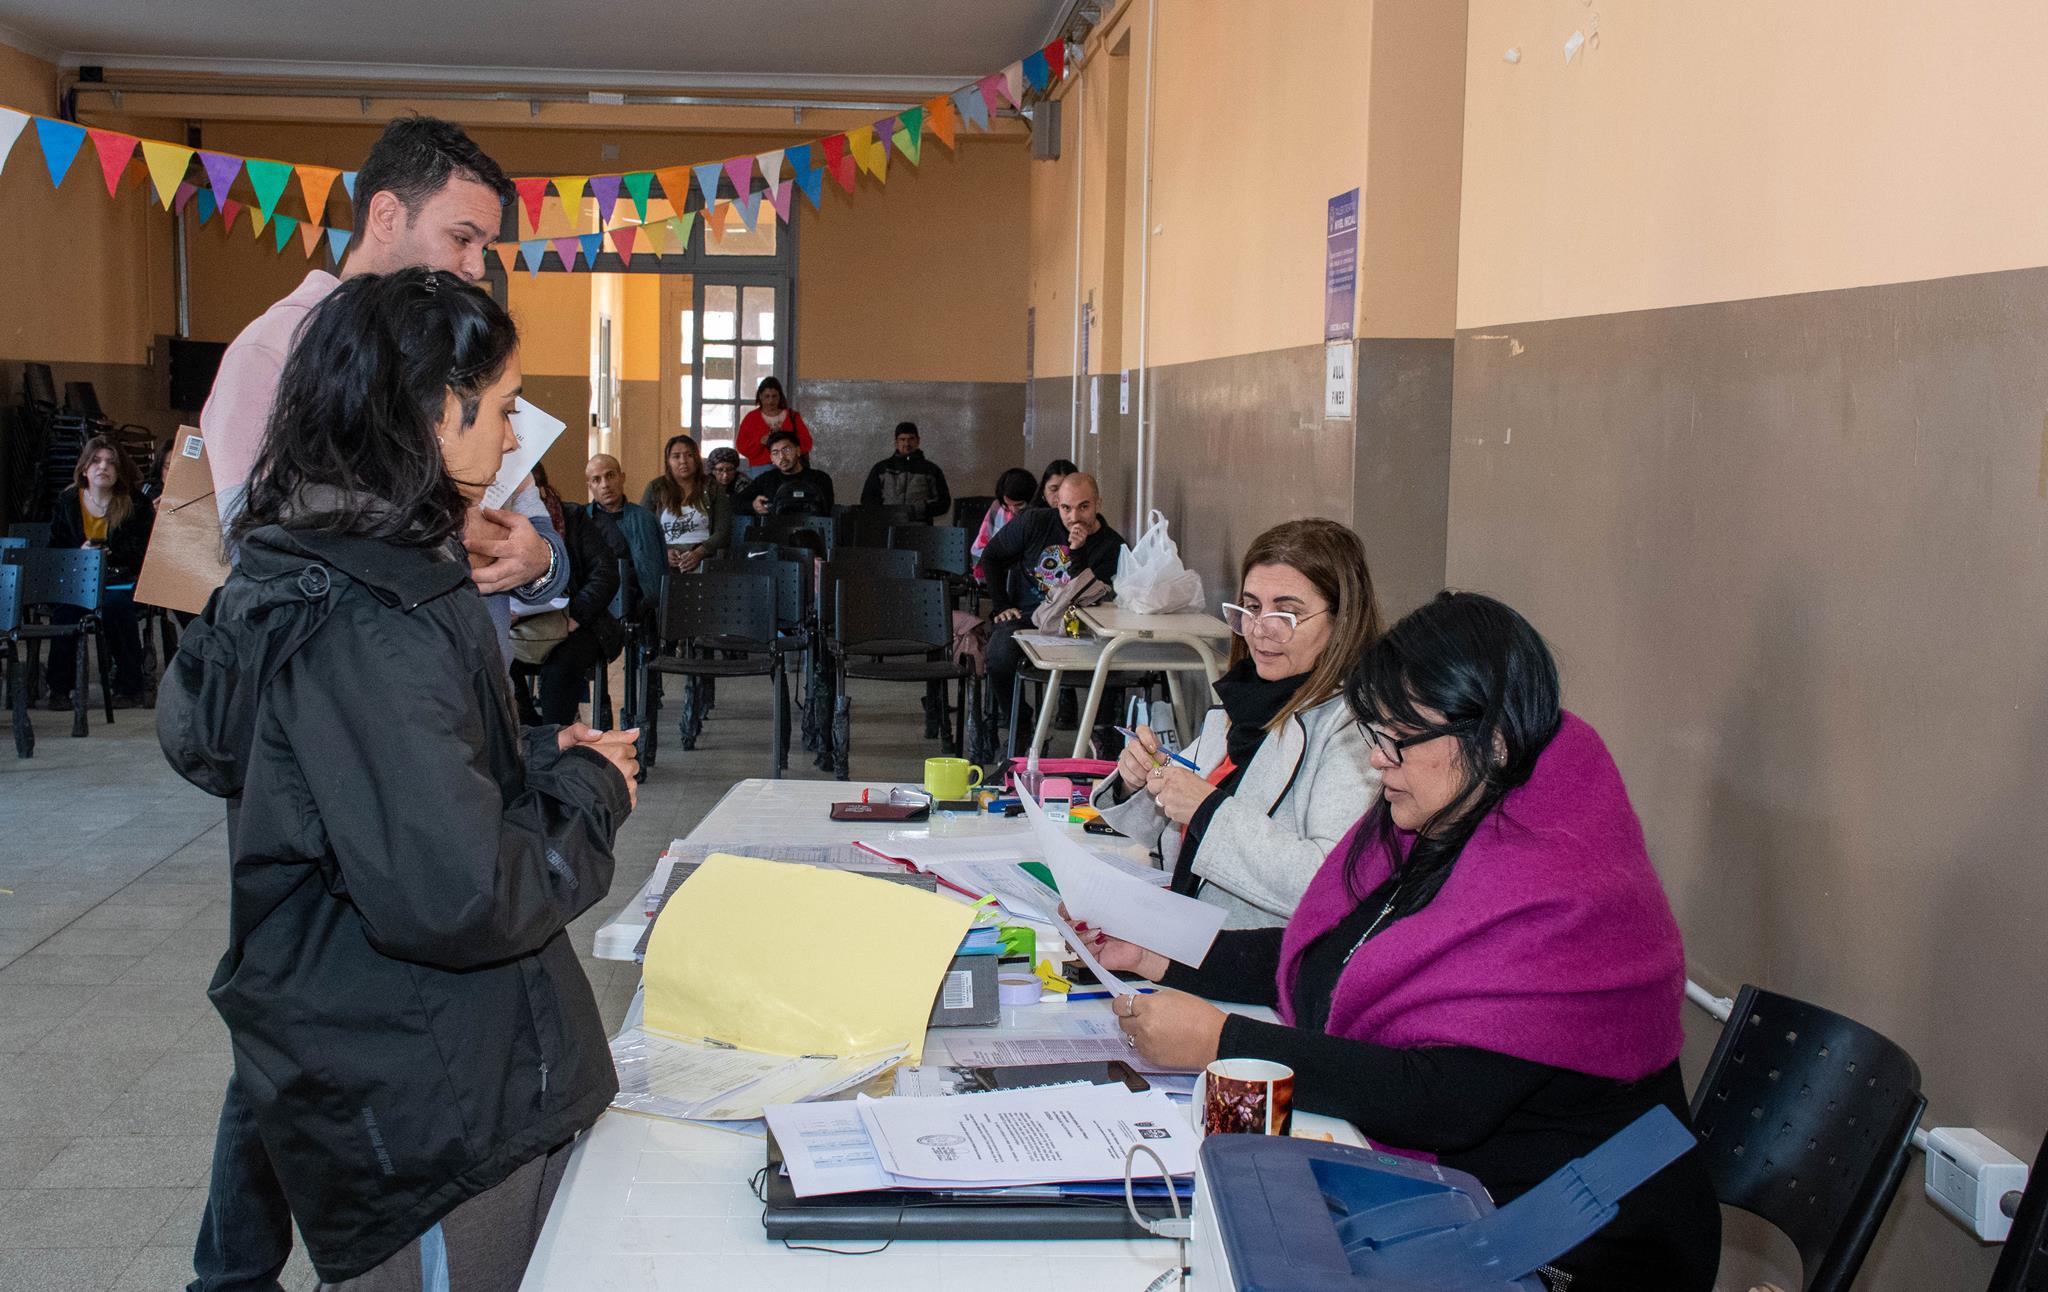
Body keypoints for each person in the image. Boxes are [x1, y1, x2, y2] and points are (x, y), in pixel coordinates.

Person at [158, 269, 640, 1291]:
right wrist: (592, 797)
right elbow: (460, 890)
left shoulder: (314, 566)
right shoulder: (376, 615)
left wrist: (538, 753)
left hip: (406, 1063)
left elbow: (378, 790)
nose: (512, 440)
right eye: (502, 410)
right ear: (431, 408)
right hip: (433, 1103)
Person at [1085, 592, 1721, 1291]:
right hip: (1460, 1207)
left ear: (1493, 741)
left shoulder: (1573, 891)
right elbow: (1332, 956)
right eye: (1375, 735)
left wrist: (1225, 1042)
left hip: (1577, 1244)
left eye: (1398, 741)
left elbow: (1440, 1096)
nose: (1379, 762)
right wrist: (1161, 957)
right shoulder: (1445, 813)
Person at [198, 114, 564, 672]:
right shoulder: (273, 350)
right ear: (388, 215)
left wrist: (537, 563)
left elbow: (533, 529)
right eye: (461, 238)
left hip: (465, 687)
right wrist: (436, 529)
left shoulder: (460, 346)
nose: (475, 266)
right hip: (347, 692)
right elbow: (251, 553)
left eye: (485, 246)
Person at [1091, 520, 1382, 927]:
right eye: (1252, 607)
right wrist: (1137, 779)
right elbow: (1164, 831)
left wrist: (1207, 809)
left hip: (1262, 964)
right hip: (1195, 931)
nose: (1260, 629)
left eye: (1287, 613)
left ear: (1342, 619)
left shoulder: (1356, 729)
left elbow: (1327, 884)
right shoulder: (1245, 701)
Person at [980, 471, 1124, 727]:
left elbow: (1088, 596)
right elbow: (991, 556)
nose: (1074, 517)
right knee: (998, 655)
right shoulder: (1034, 522)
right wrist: (1001, 606)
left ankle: (1103, 735)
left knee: (1114, 662)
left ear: (1098, 504)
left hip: (1082, 627)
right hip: (1027, 619)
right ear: (1057, 503)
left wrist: (1078, 553)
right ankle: (1018, 722)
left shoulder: (1112, 546)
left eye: (1084, 507)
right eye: (1066, 508)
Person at [45, 435, 155, 709]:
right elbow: (54, 548)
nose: (102, 467)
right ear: (84, 468)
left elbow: (144, 550)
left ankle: (130, 687)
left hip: (119, 578)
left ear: (119, 471)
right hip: (77, 578)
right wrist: (79, 553)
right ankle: (59, 689)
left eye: (110, 463)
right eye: (96, 461)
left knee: (116, 606)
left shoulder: (135, 503)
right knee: (65, 612)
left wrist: (111, 553)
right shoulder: (68, 501)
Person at [530, 502, 624, 726]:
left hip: (579, 622)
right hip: (523, 625)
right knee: (495, 661)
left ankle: (556, 736)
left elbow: (605, 574)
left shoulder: (572, 517)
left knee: (560, 663)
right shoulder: (495, 522)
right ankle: (526, 734)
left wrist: (576, 616)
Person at [584, 454, 664, 622]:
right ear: (590, 486)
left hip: (642, 607)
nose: (605, 485)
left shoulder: (645, 518)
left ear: (622, 478)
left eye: (610, 476)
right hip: (597, 606)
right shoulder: (582, 520)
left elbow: (660, 570)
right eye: (597, 480)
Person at [640, 433, 731, 572]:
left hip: (705, 558)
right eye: (676, 456)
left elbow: (723, 532)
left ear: (697, 458)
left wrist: (699, 553)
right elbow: (643, 529)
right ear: (668, 461)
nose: (683, 461)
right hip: (664, 558)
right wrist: (664, 551)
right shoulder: (656, 487)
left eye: (689, 455)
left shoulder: (712, 487)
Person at [859, 421, 950, 521]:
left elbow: (944, 503)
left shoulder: (931, 470)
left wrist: (917, 510)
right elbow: (867, 499)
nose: (907, 443)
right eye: (902, 439)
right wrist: (885, 513)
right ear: (896, 442)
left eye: (911, 439)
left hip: (920, 530)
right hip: (887, 527)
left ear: (918, 441)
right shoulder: (881, 469)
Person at [736, 429, 834, 518]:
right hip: (775, 533)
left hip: (812, 533)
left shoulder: (820, 478)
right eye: (775, 453)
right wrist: (753, 505)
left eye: (786, 450)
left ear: (798, 451)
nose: (782, 457)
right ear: (771, 458)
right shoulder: (766, 480)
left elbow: (827, 511)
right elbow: (735, 502)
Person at [971, 467, 1038, 584]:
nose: (1013, 510)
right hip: (998, 570)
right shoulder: (997, 507)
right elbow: (979, 547)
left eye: (1019, 504)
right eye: (1008, 505)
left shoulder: (1036, 514)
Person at [734, 376, 811, 469]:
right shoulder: (751, 418)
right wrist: (760, 441)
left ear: (780, 396)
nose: (771, 401)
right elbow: (741, 446)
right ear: (760, 396)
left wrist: (788, 444)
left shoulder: (793, 416)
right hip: (761, 468)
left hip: (790, 467)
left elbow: (807, 442)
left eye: (774, 396)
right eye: (767, 396)